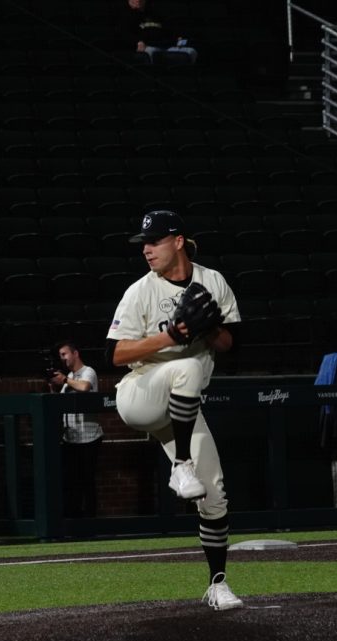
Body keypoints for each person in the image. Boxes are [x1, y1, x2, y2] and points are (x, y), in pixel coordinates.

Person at [107, 210, 243, 610]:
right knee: (184, 367)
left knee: (214, 493)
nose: (146, 250)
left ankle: (217, 585)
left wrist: (211, 329)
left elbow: (232, 344)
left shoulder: (212, 281)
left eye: (154, 241)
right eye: (144, 244)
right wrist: (168, 335)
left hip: (182, 408)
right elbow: (114, 353)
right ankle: (180, 464)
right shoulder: (140, 291)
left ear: (178, 241)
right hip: (141, 393)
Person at [47, 340, 103, 518]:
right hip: (70, 438)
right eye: (60, 356)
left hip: (89, 438)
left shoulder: (88, 372)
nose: (62, 358)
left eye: (65, 354)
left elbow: (84, 387)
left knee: (87, 481)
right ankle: (74, 517)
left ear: (75, 353)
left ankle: (90, 519)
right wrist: (54, 388)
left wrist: (64, 379)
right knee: (71, 482)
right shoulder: (68, 379)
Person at [125, 0, 198, 64]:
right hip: (149, 46)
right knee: (150, 52)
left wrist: (177, 38)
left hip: (167, 46)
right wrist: (137, 42)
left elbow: (169, 30)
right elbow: (125, 34)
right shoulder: (127, 17)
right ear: (129, 1)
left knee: (191, 52)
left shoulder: (156, 15)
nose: (138, 0)